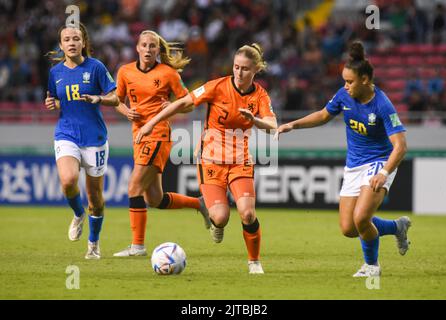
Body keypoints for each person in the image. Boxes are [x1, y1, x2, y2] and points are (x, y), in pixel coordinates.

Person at [135, 43, 277, 274]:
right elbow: (184, 102)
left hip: (240, 160)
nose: (239, 73)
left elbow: (273, 126)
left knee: (248, 213)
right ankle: (215, 220)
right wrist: (152, 122)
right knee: (220, 217)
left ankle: (254, 262)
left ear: (255, 70)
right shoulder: (218, 86)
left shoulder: (260, 95)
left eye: (245, 69)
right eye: (236, 67)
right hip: (211, 160)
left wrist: (255, 120)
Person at [275, 41, 411, 277]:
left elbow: (400, 147)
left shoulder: (382, 105)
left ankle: (372, 267)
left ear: (365, 80)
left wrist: (384, 172)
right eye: (344, 81)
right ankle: (397, 227)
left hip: (379, 162)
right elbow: (323, 115)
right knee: (349, 228)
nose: (345, 86)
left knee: (361, 218)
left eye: (350, 82)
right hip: (354, 165)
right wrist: (292, 125)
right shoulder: (343, 95)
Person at [113, 30, 211, 257]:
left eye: (152, 46)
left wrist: (172, 106)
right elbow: (116, 100)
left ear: (158, 50)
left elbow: (189, 103)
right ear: (137, 48)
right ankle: (200, 204)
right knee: (154, 198)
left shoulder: (168, 74)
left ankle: (137, 246)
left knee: (134, 187)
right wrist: (127, 112)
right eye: (144, 45)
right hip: (138, 135)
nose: (148, 50)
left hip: (158, 135)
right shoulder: (125, 72)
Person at [45, 22, 119, 259]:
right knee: (68, 180)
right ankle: (78, 214)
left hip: (95, 138)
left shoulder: (96, 68)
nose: (72, 43)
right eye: (67, 39)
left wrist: (99, 98)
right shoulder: (55, 73)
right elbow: (57, 100)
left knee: (95, 199)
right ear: (61, 45)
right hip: (66, 133)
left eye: (76, 39)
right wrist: (52, 104)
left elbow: (116, 98)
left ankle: (93, 245)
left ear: (84, 42)